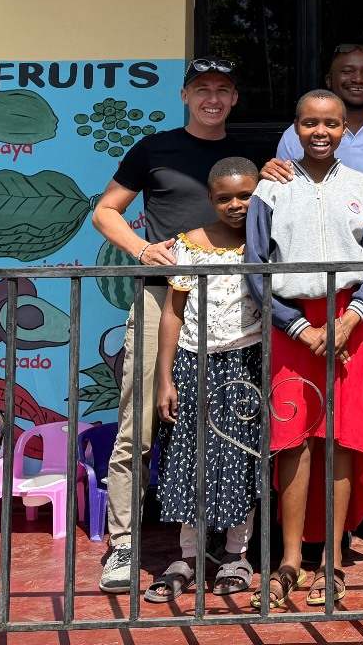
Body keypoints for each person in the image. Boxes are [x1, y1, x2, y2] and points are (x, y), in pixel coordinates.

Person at [263, 43, 363, 565]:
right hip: (299, 309)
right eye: (347, 72)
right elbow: (274, 204)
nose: (358, 79)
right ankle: (311, 539)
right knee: (301, 420)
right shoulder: (289, 147)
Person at [91, 57, 241, 594]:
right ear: (184, 96)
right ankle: (123, 544)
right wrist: (141, 249)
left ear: (234, 99)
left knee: (230, 421)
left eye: (222, 90)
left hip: (233, 305)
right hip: (160, 298)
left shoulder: (248, 155)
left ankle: (228, 544)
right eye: (202, 89)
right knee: (139, 424)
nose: (212, 99)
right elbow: (105, 211)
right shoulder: (154, 148)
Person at [245, 89, 363, 607]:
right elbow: (256, 265)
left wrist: (350, 319)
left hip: (353, 321)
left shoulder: (362, 186)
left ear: (345, 129)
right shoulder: (270, 189)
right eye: (310, 123)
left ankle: (333, 559)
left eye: (331, 123)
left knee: (344, 438)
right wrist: (296, 327)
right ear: (295, 128)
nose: (321, 132)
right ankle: (289, 560)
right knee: (294, 438)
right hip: (291, 323)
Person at [147, 157, 263, 601]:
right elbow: (173, 314)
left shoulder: (265, 243)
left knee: (240, 458)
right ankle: (188, 556)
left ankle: (236, 554)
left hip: (246, 363)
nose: (236, 205)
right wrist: (165, 379)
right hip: (193, 364)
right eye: (224, 198)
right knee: (188, 457)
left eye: (245, 196)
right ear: (210, 199)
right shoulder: (188, 245)